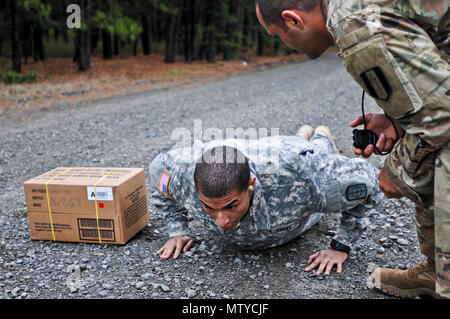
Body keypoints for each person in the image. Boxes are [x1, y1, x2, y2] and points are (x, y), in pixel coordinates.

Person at [254, 0, 449, 298]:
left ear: (293, 20)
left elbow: (441, 116)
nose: (283, 42)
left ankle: (444, 278)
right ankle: (439, 271)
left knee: (433, 155)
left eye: (276, 34)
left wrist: (396, 172)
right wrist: (399, 121)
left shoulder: (352, 22)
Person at [149, 125, 383, 276]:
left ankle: (320, 134)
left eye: (231, 206)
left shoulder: (300, 176)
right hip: (262, 151)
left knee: (313, 149)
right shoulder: (182, 174)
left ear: (250, 186)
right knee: (292, 144)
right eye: (210, 208)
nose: (221, 221)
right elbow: (157, 172)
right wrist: (177, 229)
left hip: (292, 155)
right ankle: (300, 134)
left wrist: (341, 247)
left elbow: (371, 181)